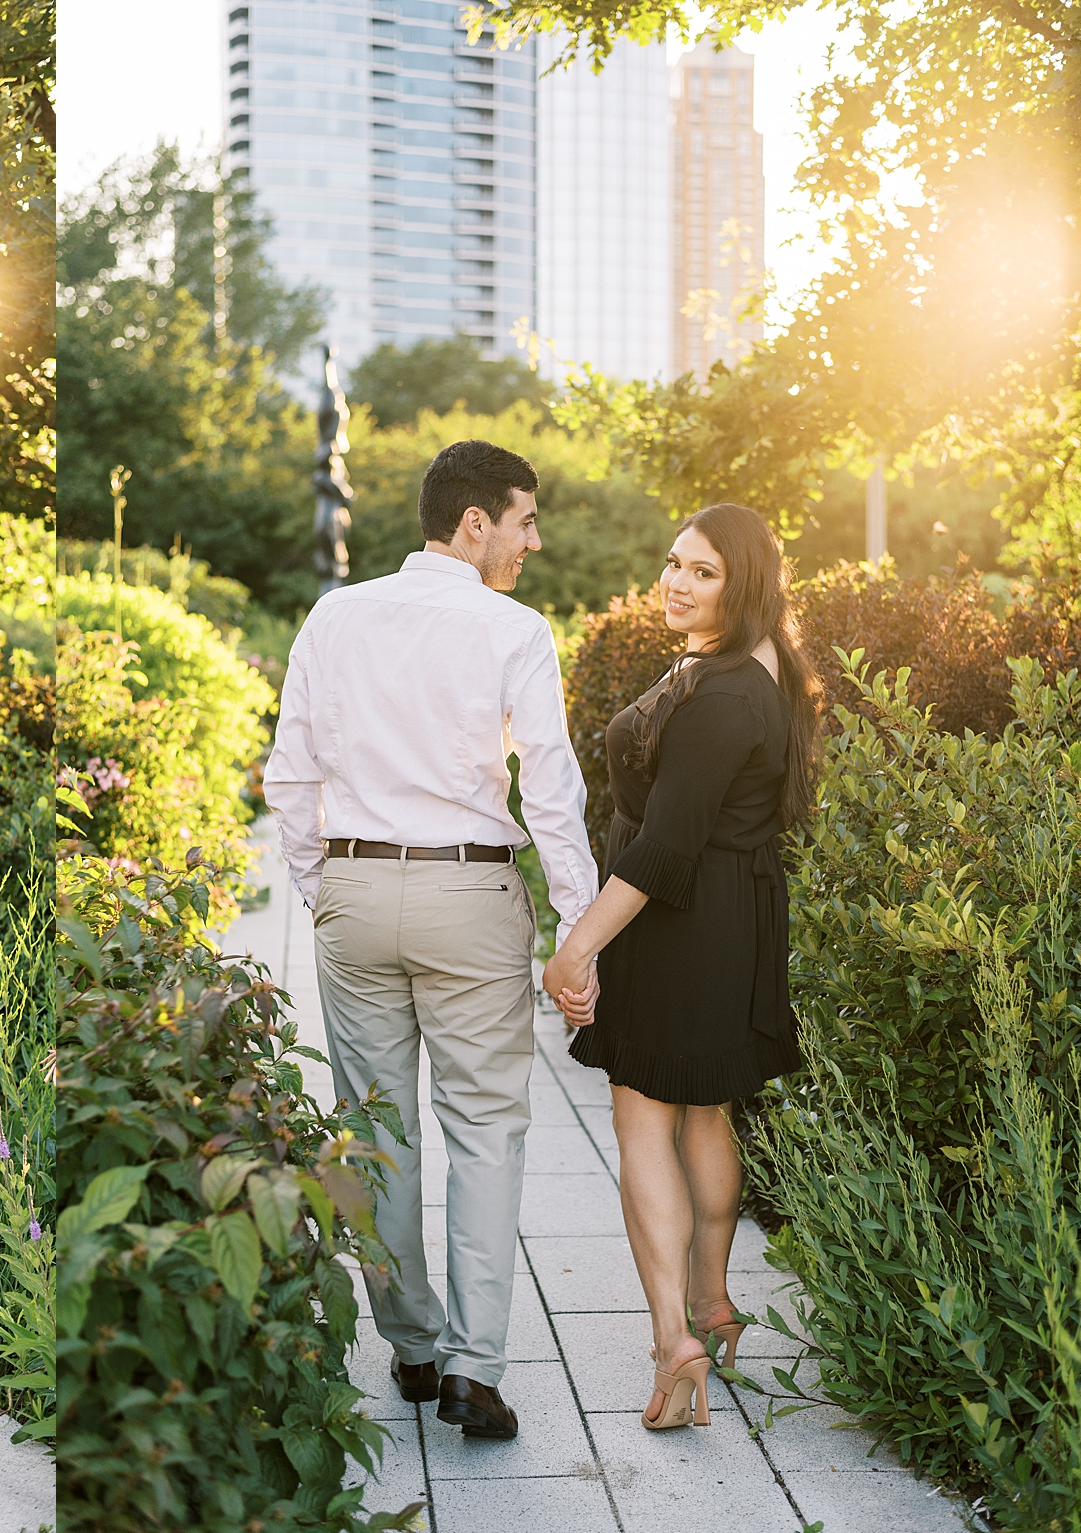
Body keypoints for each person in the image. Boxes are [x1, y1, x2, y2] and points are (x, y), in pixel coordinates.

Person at [268, 438, 601, 1442]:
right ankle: (471, 1372)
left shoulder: (334, 615)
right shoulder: (513, 629)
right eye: (524, 522)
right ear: (474, 521)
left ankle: (410, 1345)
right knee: (485, 1130)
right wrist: (579, 929)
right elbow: (550, 788)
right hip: (468, 893)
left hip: (355, 890)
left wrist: (322, 889)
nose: (531, 543)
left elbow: (289, 774)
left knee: (374, 1131)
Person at [542, 503, 820, 1432]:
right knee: (704, 1109)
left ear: (745, 585)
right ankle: (712, 1303)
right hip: (724, 914)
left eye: (704, 571)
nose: (676, 582)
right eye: (673, 562)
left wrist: (577, 945)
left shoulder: (727, 692)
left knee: (643, 1120)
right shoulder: (752, 662)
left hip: (680, 920)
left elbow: (663, 848)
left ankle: (674, 1340)